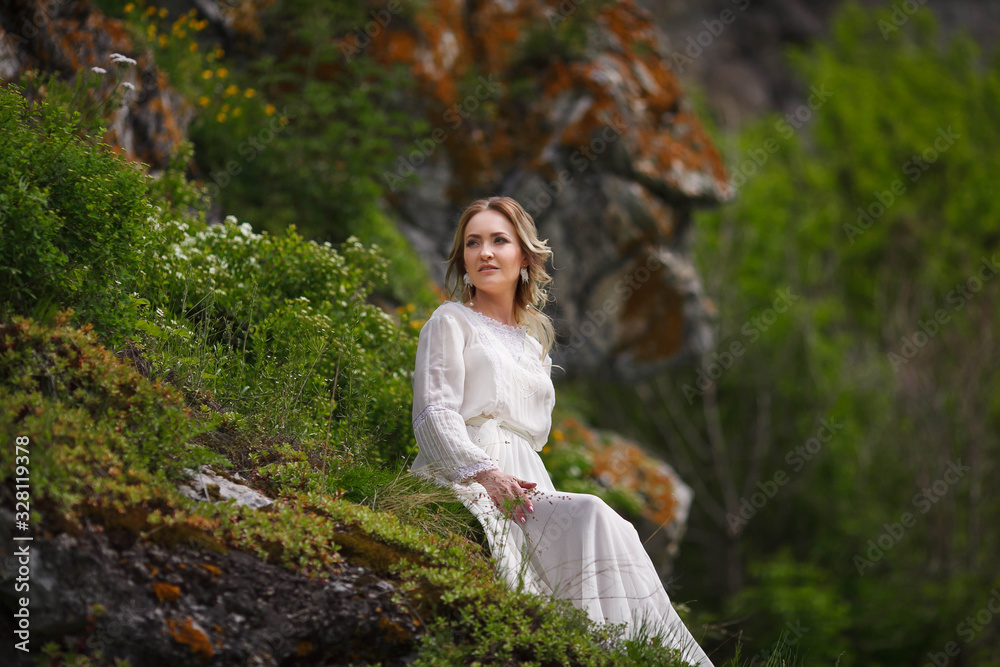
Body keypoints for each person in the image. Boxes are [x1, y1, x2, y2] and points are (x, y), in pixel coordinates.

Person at [410, 196, 715, 666]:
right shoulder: (450, 321)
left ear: (524, 258)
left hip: (529, 477)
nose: (484, 252)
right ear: (462, 260)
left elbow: (533, 437)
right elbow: (433, 412)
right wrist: (484, 473)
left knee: (618, 530)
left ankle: (647, 655)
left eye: (498, 240)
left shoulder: (534, 345)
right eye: (472, 243)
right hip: (467, 469)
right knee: (593, 513)